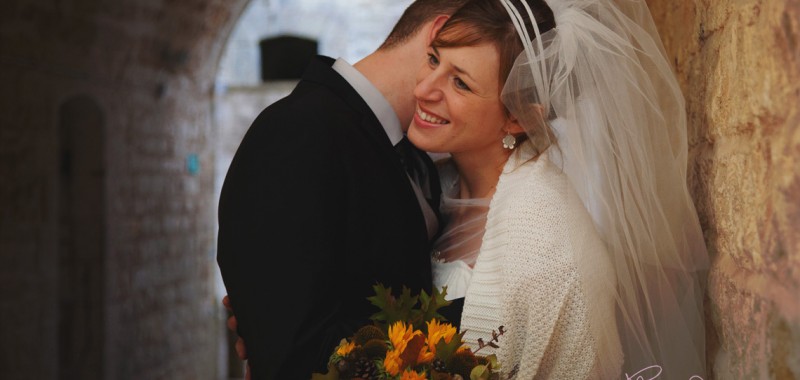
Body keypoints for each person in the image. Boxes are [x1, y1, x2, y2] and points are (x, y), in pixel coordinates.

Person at [408, 0, 709, 379]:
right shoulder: (425, 179)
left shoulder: (552, 255)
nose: (423, 89)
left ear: (519, 117)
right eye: (434, 60)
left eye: (460, 83)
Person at [216, 1, 466, 379]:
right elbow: (293, 355)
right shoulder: (297, 132)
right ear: (439, 36)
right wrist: (488, 310)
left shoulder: (415, 152)